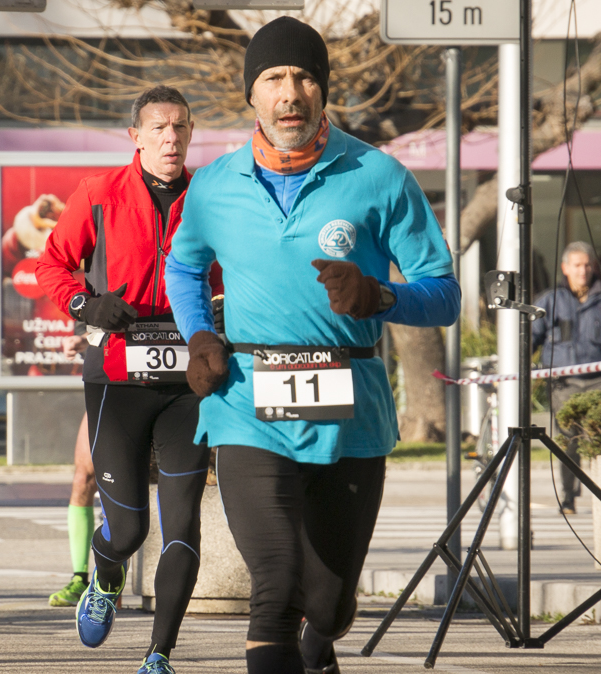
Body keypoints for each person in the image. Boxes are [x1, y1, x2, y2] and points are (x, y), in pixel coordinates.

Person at [164, 17, 459, 674]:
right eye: (273, 78)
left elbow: (444, 293)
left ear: (323, 89)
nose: (289, 92)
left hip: (351, 414)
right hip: (246, 404)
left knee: (326, 605)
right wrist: (200, 334)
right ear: (252, 93)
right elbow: (182, 267)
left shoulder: (378, 175)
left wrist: (380, 296)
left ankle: (322, 642)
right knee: (275, 589)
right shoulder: (214, 184)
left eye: (303, 77)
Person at [34, 85, 215, 674]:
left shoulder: (211, 199)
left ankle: (158, 656)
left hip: (189, 381)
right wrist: (87, 305)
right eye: (159, 127)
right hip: (117, 377)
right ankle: (106, 573)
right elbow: (51, 265)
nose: (171, 138)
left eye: (180, 127)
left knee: (182, 526)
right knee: (130, 528)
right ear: (136, 136)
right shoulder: (98, 194)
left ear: (191, 134)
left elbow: (235, 276)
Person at [531, 241, 601, 515]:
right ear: (565, 268)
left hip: (600, 381)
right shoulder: (550, 301)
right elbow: (530, 338)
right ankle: (568, 497)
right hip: (564, 384)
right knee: (568, 442)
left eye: (588, 265)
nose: (583, 270)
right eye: (577, 265)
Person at [48, 332, 98, 608]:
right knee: (83, 479)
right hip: (110, 384)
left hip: (167, 386)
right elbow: (91, 324)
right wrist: (83, 339)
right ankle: (80, 578)